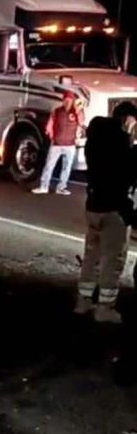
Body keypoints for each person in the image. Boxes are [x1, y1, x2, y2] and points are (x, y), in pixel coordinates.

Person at [76, 102, 137, 323]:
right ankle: (105, 308)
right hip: (114, 209)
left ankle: (83, 302)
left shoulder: (96, 139)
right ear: (126, 118)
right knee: (113, 261)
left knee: (91, 257)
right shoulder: (120, 142)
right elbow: (124, 174)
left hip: (93, 206)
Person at [32, 91, 84, 195]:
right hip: (57, 144)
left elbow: (81, 122)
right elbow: (50, 125)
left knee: (66, 167)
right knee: (49, 166)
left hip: (70, 145)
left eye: (69, 100)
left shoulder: (76, 112)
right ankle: (44, 186)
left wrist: (78, 111)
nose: (67, 102)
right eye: (66, 100)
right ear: (63, 100)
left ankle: (61, 187)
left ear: (73, 101)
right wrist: (51, 135)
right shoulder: (56, 111)